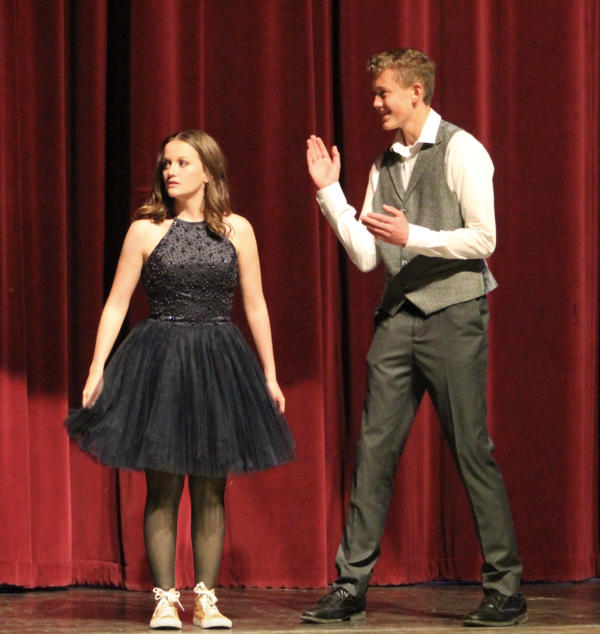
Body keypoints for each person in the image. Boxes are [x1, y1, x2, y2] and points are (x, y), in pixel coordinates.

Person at [301, 49, 526, 627]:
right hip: (398, 317)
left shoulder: (462, 149)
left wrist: (415, 235)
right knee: (373, 451)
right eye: (376, 93)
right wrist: (331, 195)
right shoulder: (383, 165)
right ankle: (350, 586)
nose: (376, 102)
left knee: (470, 448)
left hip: (454, 313)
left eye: (384, 92)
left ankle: (505, 588)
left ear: (416, 92)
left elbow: (484, 239)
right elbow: (368, 254)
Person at [66, 129, 295, 630]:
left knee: (211, 488)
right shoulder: (145, 230)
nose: (170, 170)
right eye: (166, 163)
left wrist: (271, 373)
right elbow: (117, 304)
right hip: (162, 361)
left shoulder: (238, 230)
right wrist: (97, 367)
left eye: (182, 162)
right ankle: (165, 599)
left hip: (218, 360)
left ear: (208, 172)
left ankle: (206, 599)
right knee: (164, 486)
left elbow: (255, 305)